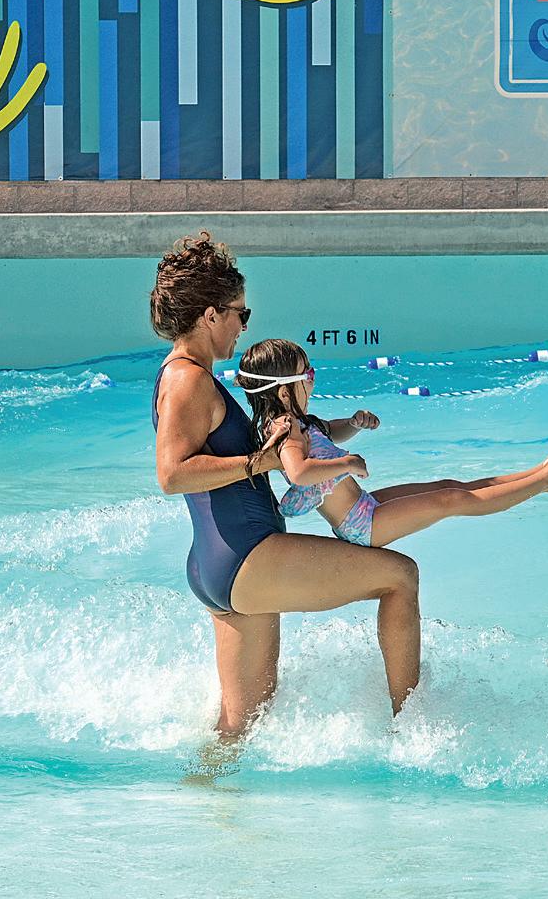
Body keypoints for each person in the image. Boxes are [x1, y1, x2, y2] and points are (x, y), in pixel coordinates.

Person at [149, 232, 424, 748]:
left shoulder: (183, 376)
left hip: (219, 563)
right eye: (240, 313)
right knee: (400, 576)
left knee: (239, 729)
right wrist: (263, 460)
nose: (243, 325)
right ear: (210, 315)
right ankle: (414, 731)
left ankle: (206, 798)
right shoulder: (189, 380)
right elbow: (173, 473)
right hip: (247, 556)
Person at [237, 338, 548, 548]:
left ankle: (541, 473)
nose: (314, 380)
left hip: (365, 505)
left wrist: (353, 423)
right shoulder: (285, 429)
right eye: (308, 374)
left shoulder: (299, 421)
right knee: (450, 499)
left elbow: (329, 431)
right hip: (362, 525)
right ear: (284, 392)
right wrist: (347, 463)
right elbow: (299, 472)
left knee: (448, 485)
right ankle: (547, 479)